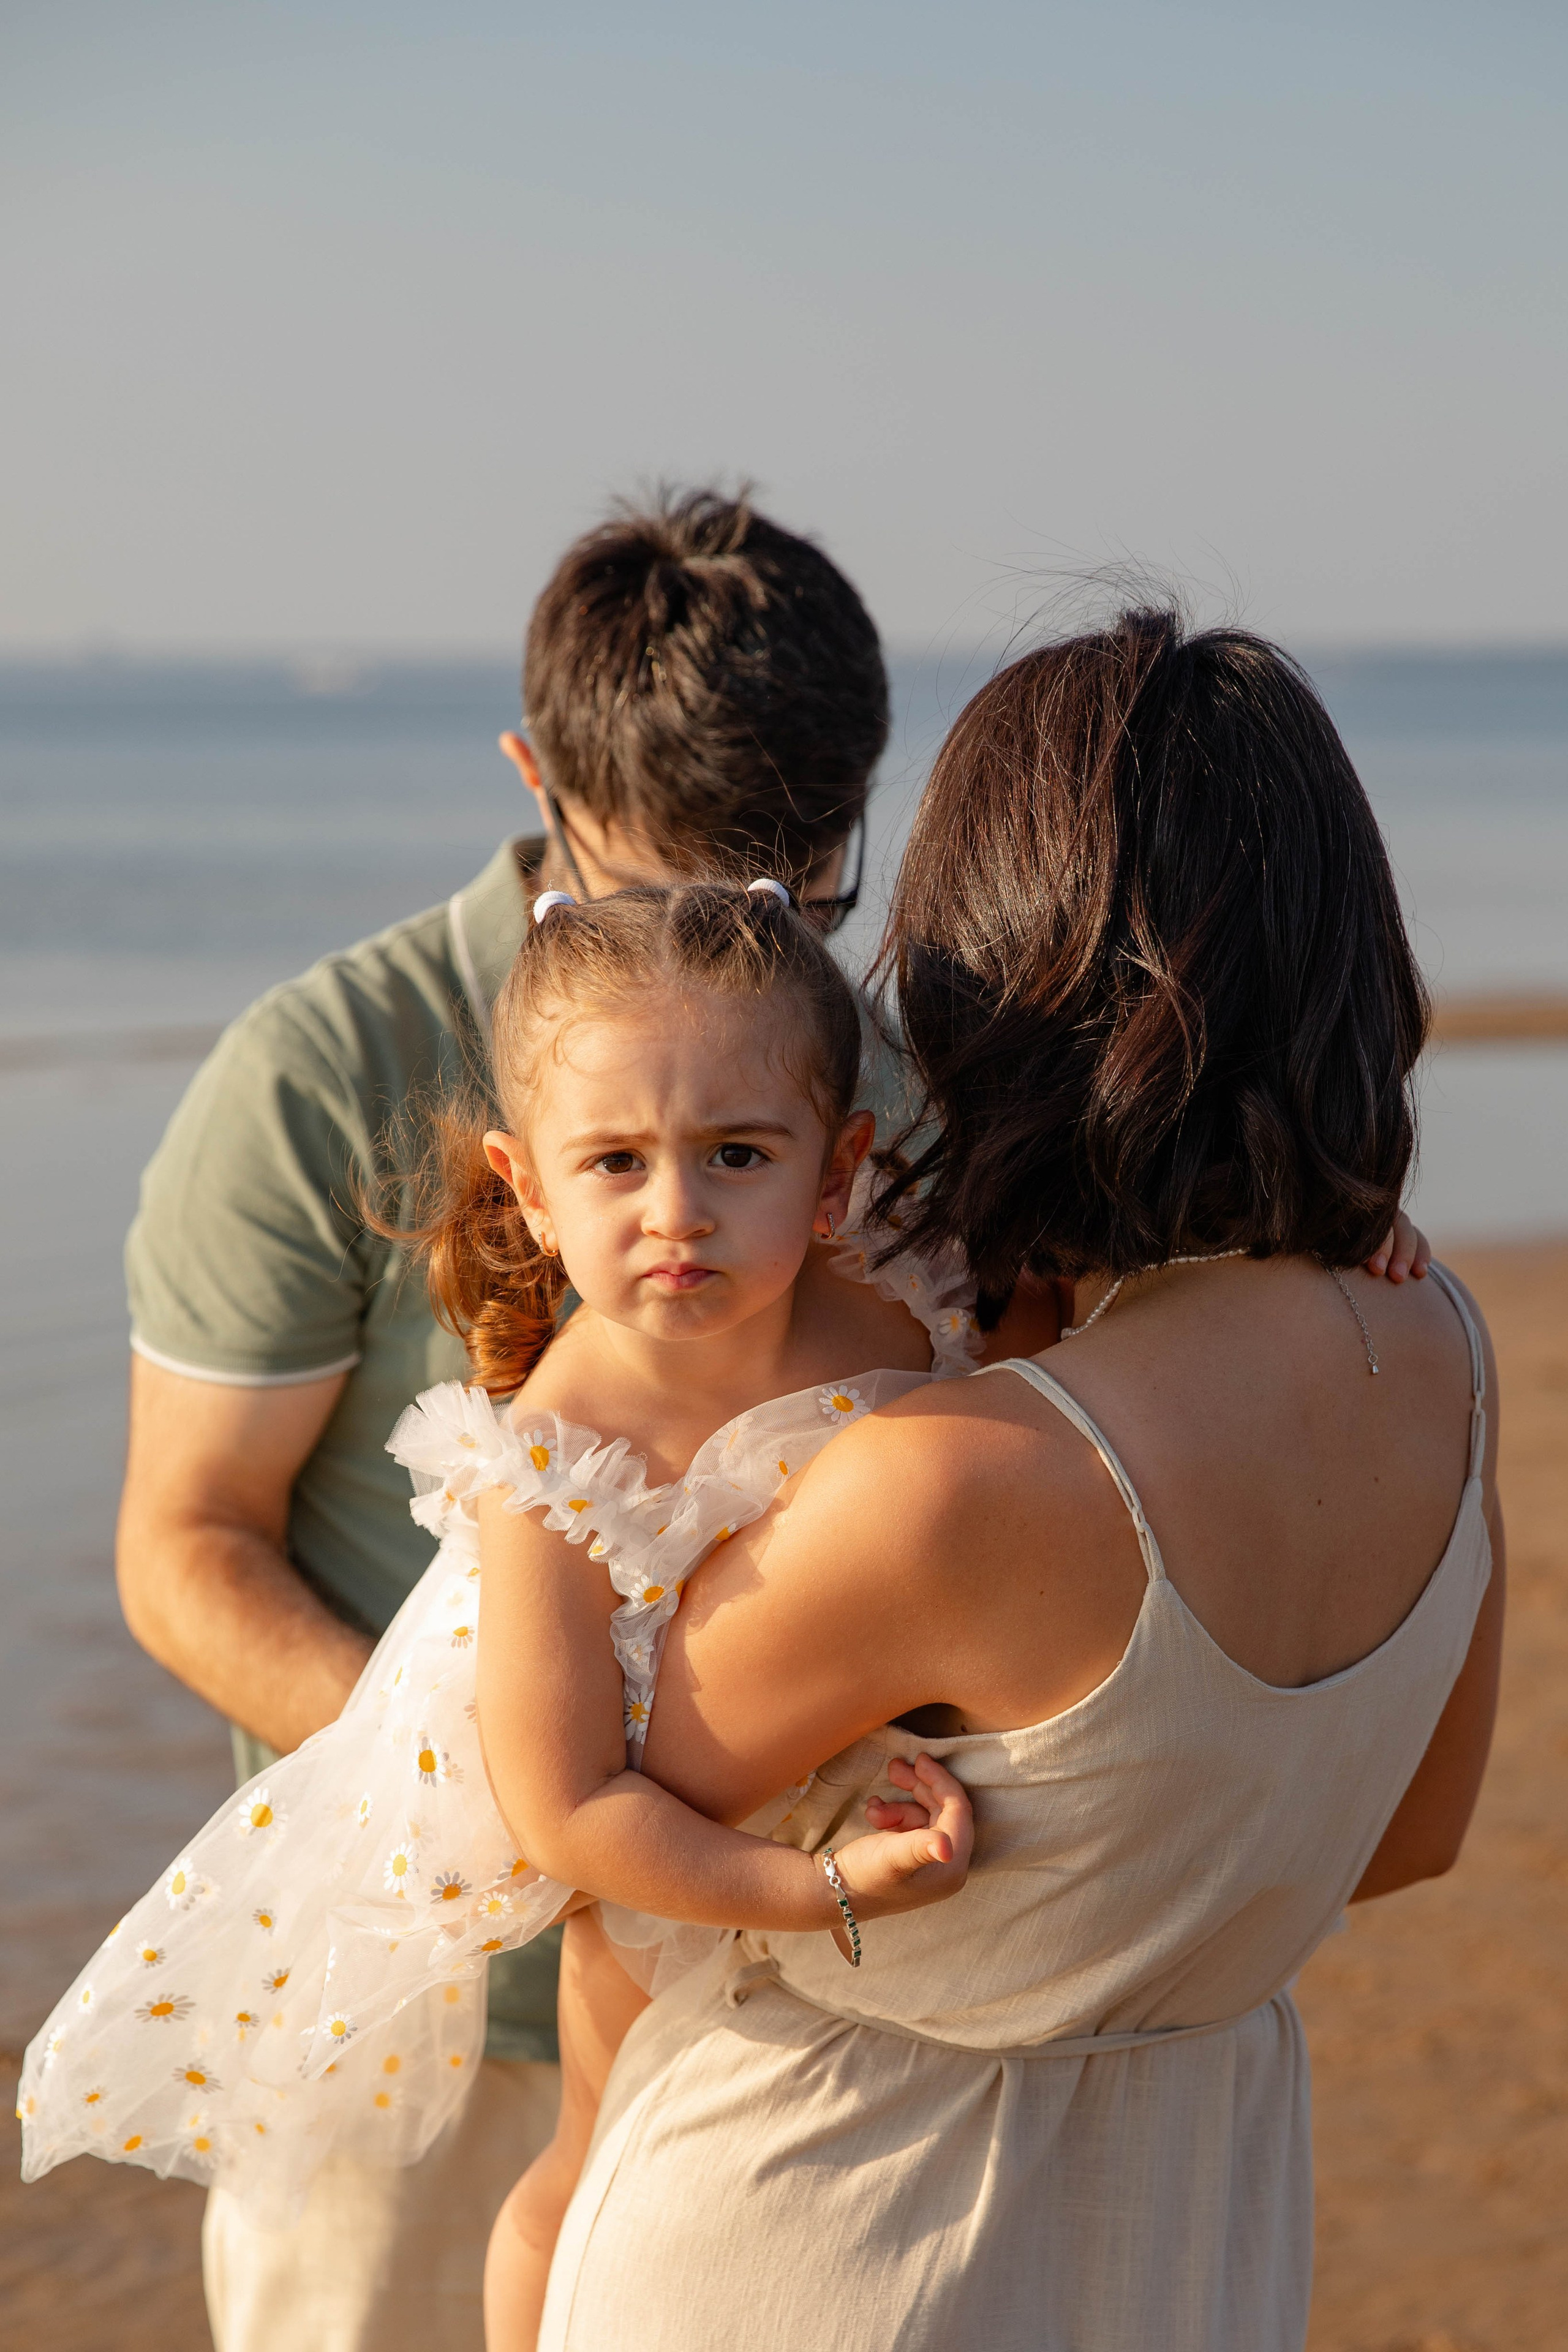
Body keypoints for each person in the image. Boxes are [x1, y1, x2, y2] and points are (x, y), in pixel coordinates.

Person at [530, 611, 1505, 2352]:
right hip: (1187, 2209)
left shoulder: (954, 1481)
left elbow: (601, 1861)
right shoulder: (1441, 1343)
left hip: (835, 2224)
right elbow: (1409, 1836)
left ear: (1010, 984)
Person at [110, 488, 891, 2352]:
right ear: (536, 776)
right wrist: (516, 1820)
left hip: (776, 1999)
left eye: (796, 903)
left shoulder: (854, 1065)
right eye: (662, 895)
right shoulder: (322, 1071)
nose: (731, 957)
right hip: (418, 2005)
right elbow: (183, 1540)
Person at [21, 881, 975, 2266]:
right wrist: (816, 1894)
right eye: (613, 1165)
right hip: (654, 1885)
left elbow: (1109, 1362)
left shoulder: (906, 1298)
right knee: (589, 2183)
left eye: (736, 1155)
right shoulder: (555, 1464)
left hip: (879, 1828)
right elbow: (569, 1811)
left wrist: (1349, 1232)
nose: (677, 1212)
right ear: (526, 1188)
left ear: (836, 1171)